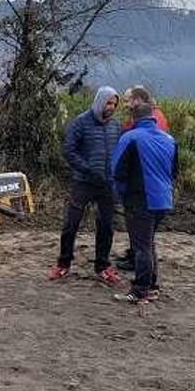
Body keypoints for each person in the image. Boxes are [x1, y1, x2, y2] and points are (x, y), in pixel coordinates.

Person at [48, 86, 124, 286]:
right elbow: (68, 149)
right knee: (71, 223)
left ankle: (102, 266)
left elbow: (119, 153)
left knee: (106, 226)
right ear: (100, 101)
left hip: (107, 184)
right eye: (109, 103)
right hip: (83, 182)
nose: (112, 107)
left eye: (114, 104)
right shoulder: (81, 123)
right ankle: (63, 263)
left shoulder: (116, 126)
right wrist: (87, 168)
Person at [109, 103, 178, 304]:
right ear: (153, 117)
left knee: (141, 246)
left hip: (140, 199)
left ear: (134, 118)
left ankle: (140, 290)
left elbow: (117, 170)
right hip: (163, 200)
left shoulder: (130, 137)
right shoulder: (169, 139)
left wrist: (122, 195)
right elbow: (173, 171)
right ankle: (152, 286)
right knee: (148, 243)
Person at [116, 85, 169, 271]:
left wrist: (122, 188)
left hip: (143, 188)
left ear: (137, 100)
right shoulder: (148, 120)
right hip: (154, 188)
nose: (123, 105)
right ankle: (139, 264)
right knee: (143, 236)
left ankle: (142, 281)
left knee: (144, 237)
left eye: (126, 100)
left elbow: (125, 162)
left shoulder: (153, 121)